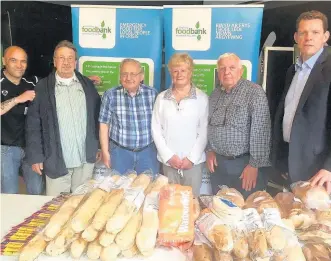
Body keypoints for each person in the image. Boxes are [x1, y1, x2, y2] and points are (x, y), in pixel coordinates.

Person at [25, 40, 101, 196]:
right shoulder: (42, 88)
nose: (66, 62)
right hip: (56, 160)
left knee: (81, 204)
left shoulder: (87, 85)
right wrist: (36, 156)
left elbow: (97, 117)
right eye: (61, 58)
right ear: (54, 61)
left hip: (84, 160)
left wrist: (98, 145)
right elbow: (33, 124)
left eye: (70, 58)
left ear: (75, 61)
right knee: (55, 207)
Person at [272, 10, 331, 193]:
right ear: (296, 37)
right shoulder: (293, 70)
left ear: (326, 36)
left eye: (315, 32)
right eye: (304, 32)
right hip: (291, 162)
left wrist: (329, 167)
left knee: (317, 220)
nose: (309, 38)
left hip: (318, 170)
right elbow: (289, 114)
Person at [207, 53, 271, 198]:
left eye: (232, 68)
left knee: (246, 211)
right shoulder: (215, 94)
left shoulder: (254, 92)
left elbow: (261, 131)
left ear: (241, 71)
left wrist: (254, 165)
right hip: (219, 166)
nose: (227, 72)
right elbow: (209, 125)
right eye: (222, 69)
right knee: (221, 210)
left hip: (244, 166)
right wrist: (210, 149)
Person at [152, 53, 208, 197]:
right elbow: (156, 129)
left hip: (193, 165)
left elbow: (204, 131)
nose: (179, 74)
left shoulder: (202, 99)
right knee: (169, 206)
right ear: (171, 73)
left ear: (190, 72)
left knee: (191, 205)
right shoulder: (161, 98)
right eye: (175, 71)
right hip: (169, 164)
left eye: (183, 70)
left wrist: (191, 159)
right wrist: (169, 156)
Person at [99, 58, 159, 175]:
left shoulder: (152, 94)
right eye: (124, 74)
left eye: (133, 74)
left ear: (141, 76)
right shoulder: (110, 95)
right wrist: (105, 152)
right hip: (120, 153)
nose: (129, 78)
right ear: (120, 77)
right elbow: (103, 125)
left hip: (147, 152)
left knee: (147, 189)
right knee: (119, 189)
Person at [1, 46, 44, 194]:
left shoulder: (31, 82)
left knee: (36, 192)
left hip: (30, 147)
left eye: (23, 61)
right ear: (4, 61)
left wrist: (82, 80)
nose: (19, 65)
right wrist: (18, 99)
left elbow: (53, 83)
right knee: (10, 193)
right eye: (14, 60)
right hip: (6, 149)